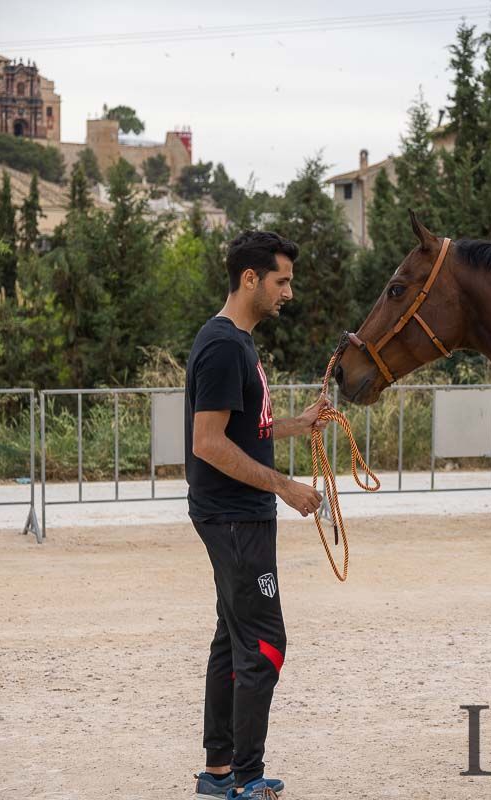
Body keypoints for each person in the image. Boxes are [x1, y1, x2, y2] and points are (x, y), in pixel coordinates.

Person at [186, 230, 331, 800]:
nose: (288, 292)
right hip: (234, 517)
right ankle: (247, 779)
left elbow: (251, 428)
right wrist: (286, 487)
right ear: (251, 279)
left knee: (235, 639)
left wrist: (300, 423)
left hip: (237, 515)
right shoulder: (224, 345)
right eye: (282, 280)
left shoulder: (237, 342)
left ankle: (219, 773)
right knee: (266, 645)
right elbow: (209, 442)